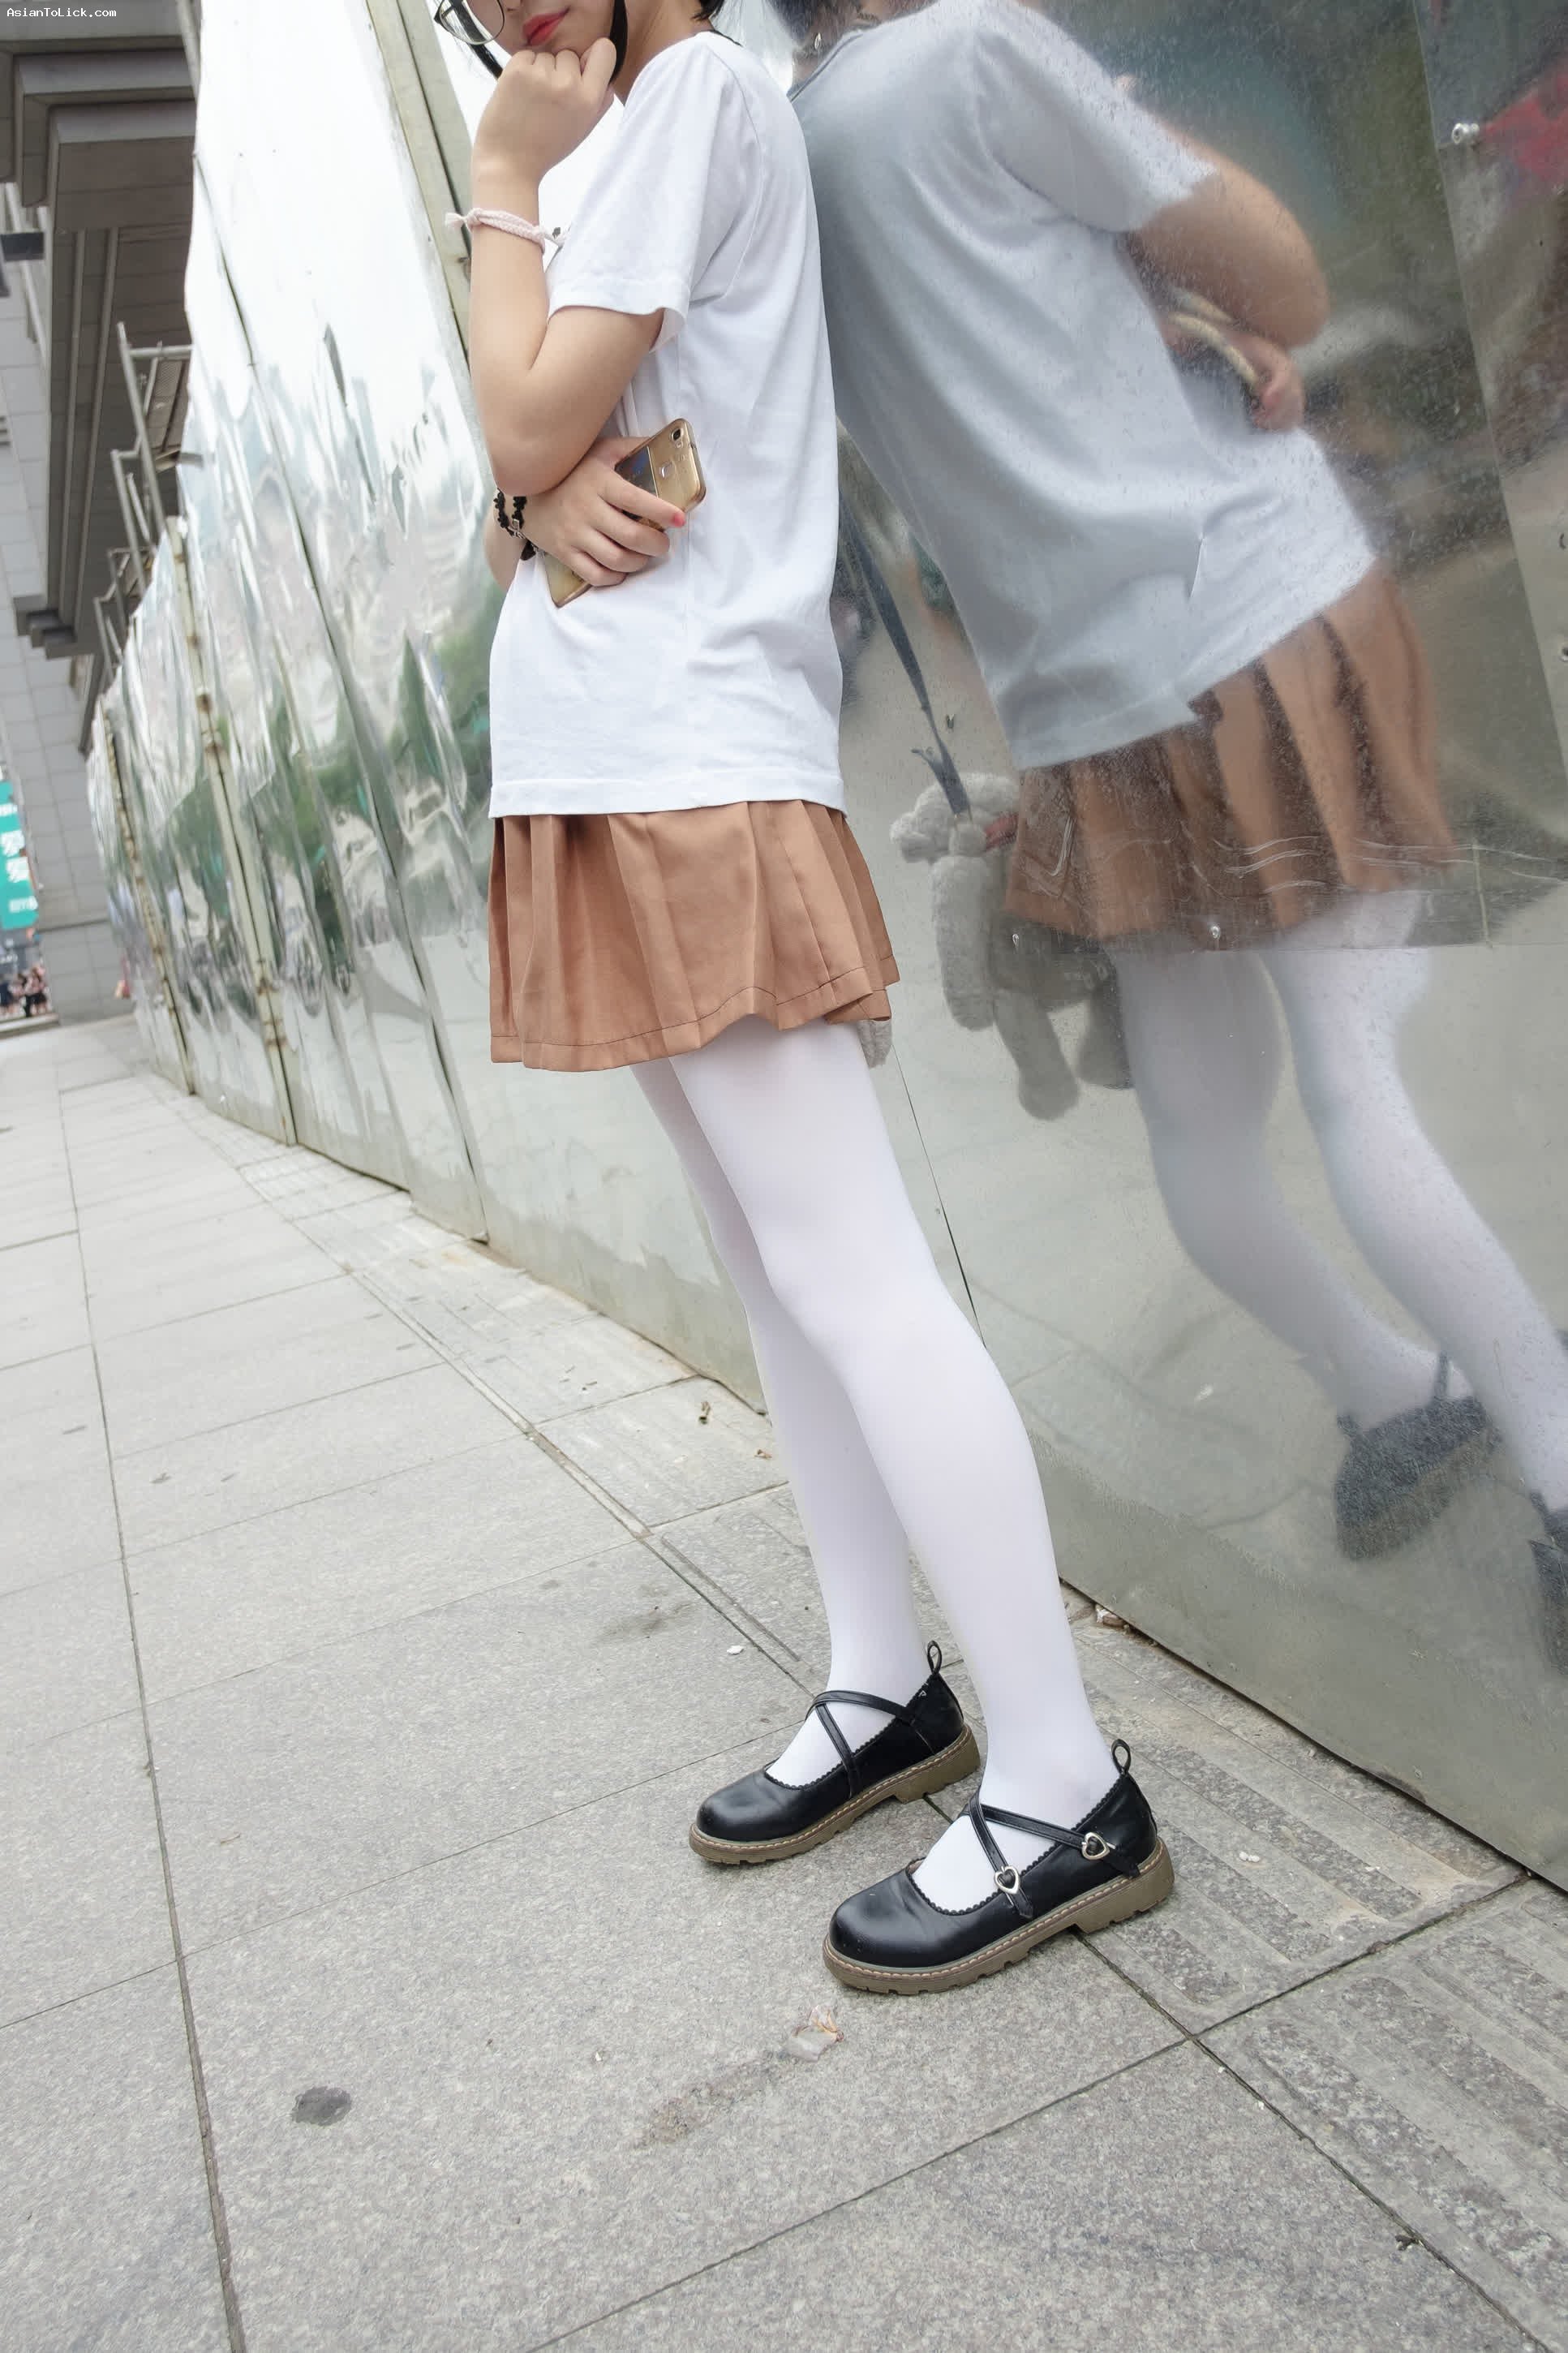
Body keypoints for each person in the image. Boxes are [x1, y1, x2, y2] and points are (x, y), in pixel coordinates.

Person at [441, 0, 1174, 1992]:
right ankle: (883, 1683)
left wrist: (497, 197)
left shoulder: (676, 101)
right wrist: (524, 497)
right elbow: (516, 480)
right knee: (780, 1277)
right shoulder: (605, 143)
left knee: (851, 1274)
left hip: (689, 761)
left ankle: (1062, 1776)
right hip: (615, 761)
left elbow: (524, 421)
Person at [768, 0, 1567, 1666]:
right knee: (1357, 1071)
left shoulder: (790, 153)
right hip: (1242, 614)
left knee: (1205, 1120)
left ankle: (1384, 1390)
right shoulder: (976, 52)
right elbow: (1282, 276)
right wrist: (1135, 141)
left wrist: (1146, 305)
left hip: (1080, 706)